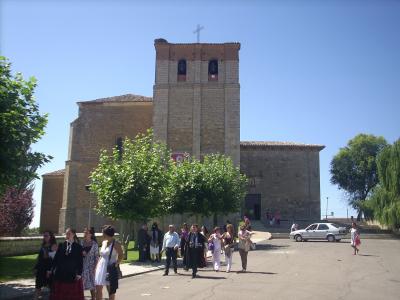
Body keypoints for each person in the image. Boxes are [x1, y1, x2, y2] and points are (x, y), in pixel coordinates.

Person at [50, 228, 84, 300]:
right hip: (61, 273)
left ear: (73, 235)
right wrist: (51, 269)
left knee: (71, 295)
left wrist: (79, 273)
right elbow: (56, 259)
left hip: (72, 274)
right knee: (61, 295)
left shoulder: (78, 247)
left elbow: (80, 261)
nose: (67, 235)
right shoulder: (61, 245)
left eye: (69, 233)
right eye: (66, 233)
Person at [95, 225, 123, 300]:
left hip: (110, 268)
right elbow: (101, 255)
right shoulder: (104, 242)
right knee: (98, 288)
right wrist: (96, 267)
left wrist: (116, 263)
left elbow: (121, 255)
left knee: (110, 290)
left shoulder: (116, 243)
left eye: (103, 233)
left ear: (106, 234)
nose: (102, 234)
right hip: (101, 268)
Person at [34, 231, 57, 300]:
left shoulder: (54, 245)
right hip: (41, 268)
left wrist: (50, 270)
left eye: (46, 235)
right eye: (44, 236)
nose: (45, 237)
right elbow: (39, 258)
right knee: (38, 285)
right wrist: (36, 267)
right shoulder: (43, 245)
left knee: (51, 286)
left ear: (51, 236)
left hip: (49, 268)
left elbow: (55, 259)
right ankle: (36, 298)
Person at [81, 227, 98, 300]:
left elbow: (96, 257)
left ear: (91, 234)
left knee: (92, 285)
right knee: (81, 284)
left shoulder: (94, 244)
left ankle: (93, 298)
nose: (85, 234)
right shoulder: (81, 243)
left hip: (91, 267)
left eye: (86, 232)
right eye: (84, 232)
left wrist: (95, 268)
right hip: (82, 266)